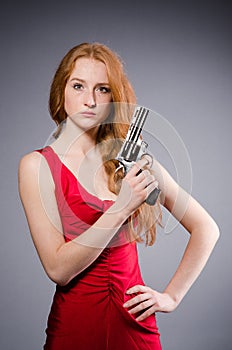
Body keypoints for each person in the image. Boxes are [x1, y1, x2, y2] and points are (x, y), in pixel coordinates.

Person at [18, 42, 219, 350]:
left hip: (135, 328)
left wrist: (171, 296)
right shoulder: (37, 166)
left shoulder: (134, 161)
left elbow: (207, 228)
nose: (90, 100)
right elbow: (58, 269)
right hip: (74, 329)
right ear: (61, 92)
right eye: (78, 86)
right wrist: (121, 207)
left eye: (102, 89)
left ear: (114, 98)